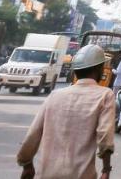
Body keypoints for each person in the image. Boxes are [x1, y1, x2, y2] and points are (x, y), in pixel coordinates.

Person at [17, 43, 115, 179]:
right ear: (99, 69)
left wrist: (26, 163)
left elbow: (33, 134)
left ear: (75, 70)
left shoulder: (54, 95)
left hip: (47, 174)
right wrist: (106, 169)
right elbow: (105, 136)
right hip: (81, 175)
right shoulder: (105, 95)